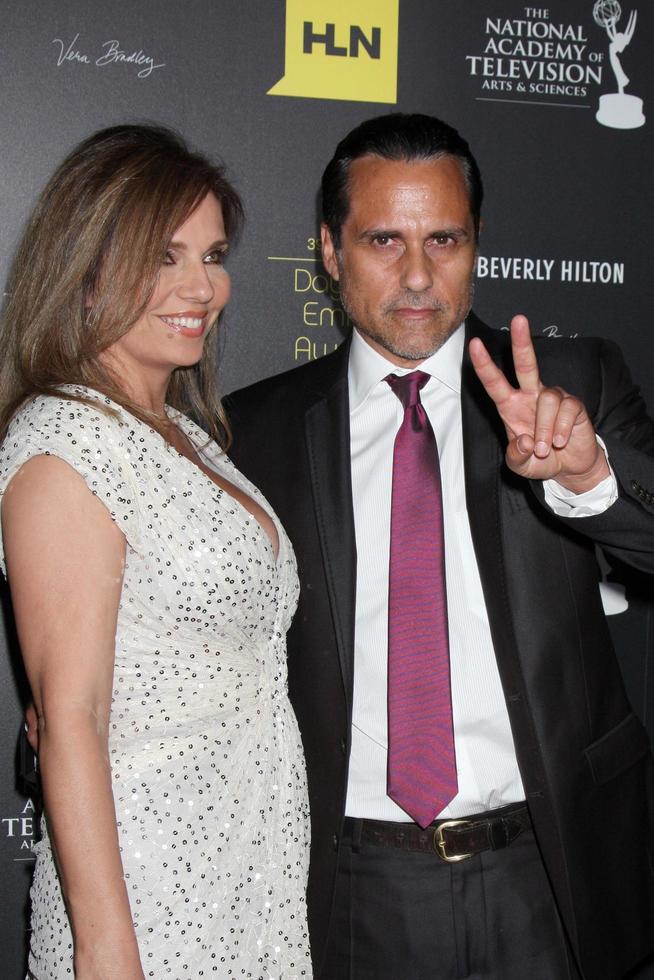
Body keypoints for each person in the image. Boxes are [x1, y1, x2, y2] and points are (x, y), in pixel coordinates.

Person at [225, 113, 654, 980]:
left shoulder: (572, 384)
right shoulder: (253, 431)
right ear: (330, 250)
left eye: (444, 239)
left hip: (551, 870)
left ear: (477, 243)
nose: (418, 275)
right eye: (383, 239)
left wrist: (586, 475)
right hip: (352, 889)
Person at [0, 125, 311, 979]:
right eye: (163, 256)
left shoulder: (186, 434)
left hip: (246, 875)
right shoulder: (64, 441)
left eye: (212, 255)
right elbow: (72, 719)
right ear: (86, 268)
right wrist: (108, 957)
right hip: (147, 897)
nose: (201, 287)